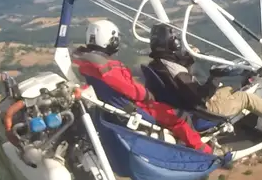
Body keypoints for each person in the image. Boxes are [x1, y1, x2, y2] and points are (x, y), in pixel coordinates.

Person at [73, 19, 208, 150]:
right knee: (179, 117)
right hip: (134, 107)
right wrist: (147, 94)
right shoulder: (107, 68)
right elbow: (129, 89)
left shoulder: (89, 64)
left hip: (119, 106)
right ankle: (202, 150)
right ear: (110, 41)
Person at [146, 23, 262, 123]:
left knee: (229, 88)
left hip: (184, 105)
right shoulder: (177, 72)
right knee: (245, 97)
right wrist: (214, 77)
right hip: (204, 110)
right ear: (173, 43)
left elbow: (178, 75)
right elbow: (200, 97)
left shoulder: (158, 64)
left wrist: (189, 57)